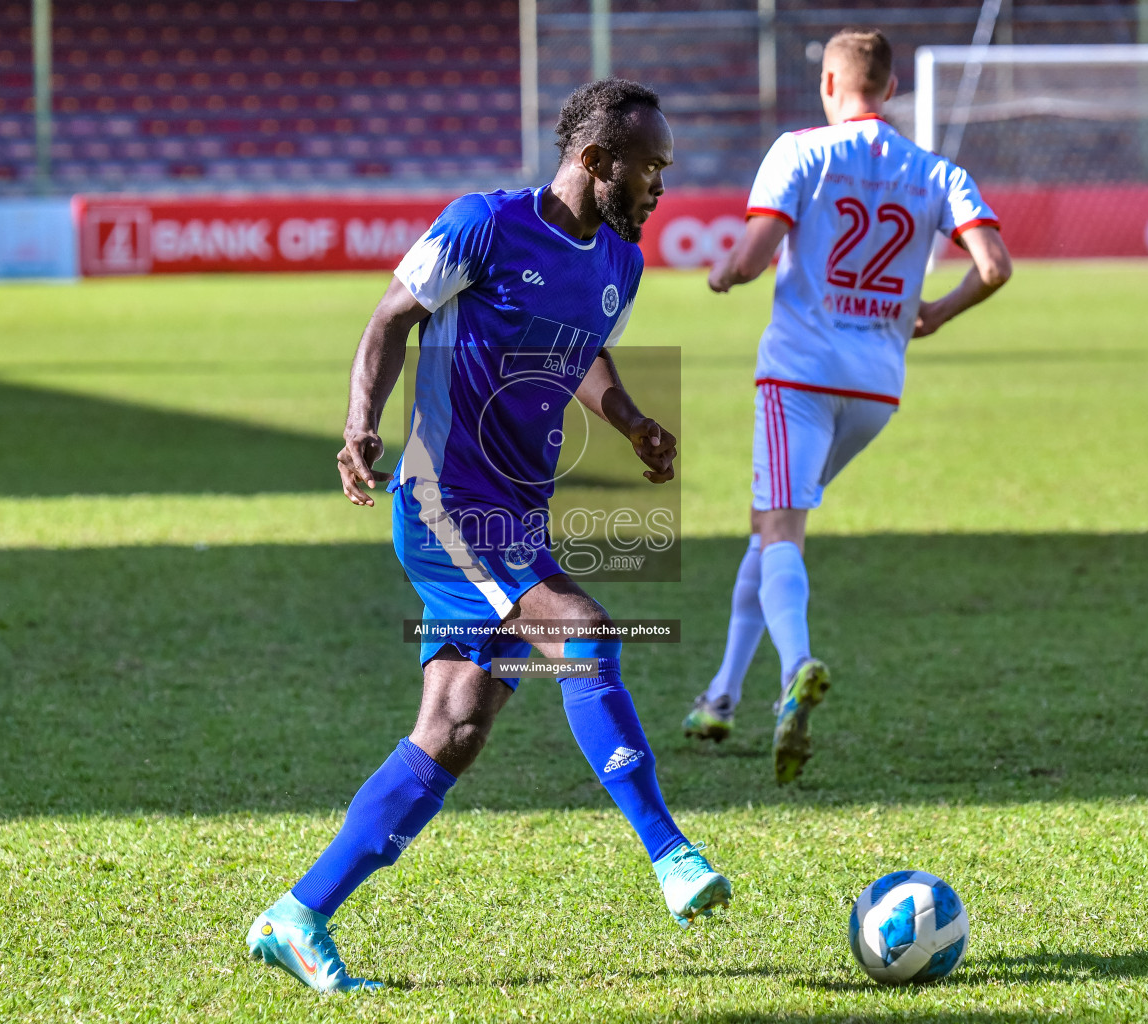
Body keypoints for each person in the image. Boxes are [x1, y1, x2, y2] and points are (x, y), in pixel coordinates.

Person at [245, 79, 732, 995]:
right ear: (595, 161)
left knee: (456, 727)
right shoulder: (482, 225)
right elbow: (392, 318)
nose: (662, 186)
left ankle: (298, 914)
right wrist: (361, 426)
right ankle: (669, 852)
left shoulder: (619, 262)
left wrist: (629, 422)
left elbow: (581, 351)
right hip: (446, 502)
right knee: (583, 635)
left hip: (517, 514)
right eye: (651, 167)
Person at [681, 28, 1013, 784]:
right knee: (772, 529)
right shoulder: (936, 170)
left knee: (780, 528)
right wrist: (934, 312)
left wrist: (724, 274)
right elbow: (994, 266)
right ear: (891, 89)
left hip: (798, 373)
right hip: (875, 388)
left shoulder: (800, 150)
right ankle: (721, 696)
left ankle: (795, 667)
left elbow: (758, 250)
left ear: (831, 84)